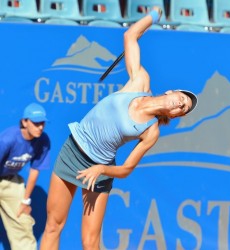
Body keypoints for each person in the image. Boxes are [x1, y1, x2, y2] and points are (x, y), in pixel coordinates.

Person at [40, 6, 198, 250]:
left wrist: (100, 168)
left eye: (183, 108)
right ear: (172, 91)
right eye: (182, 98)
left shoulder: (150, 131)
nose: (180, 104)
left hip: (100, 168)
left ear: (175, 115)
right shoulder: (139, 80)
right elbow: (130, 36)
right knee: (53, 226)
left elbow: (125, 169)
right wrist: (154, 16)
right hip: (72, 151)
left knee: (90, 241)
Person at [0, 103, 50, 250]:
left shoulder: (43, 141)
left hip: (11, 183)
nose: (40, 127)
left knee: (23, 222)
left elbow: (35, 171)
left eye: (42, 123)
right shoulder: (7, 140)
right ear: (24, 122)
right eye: (36, 123)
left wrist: (25, 200)